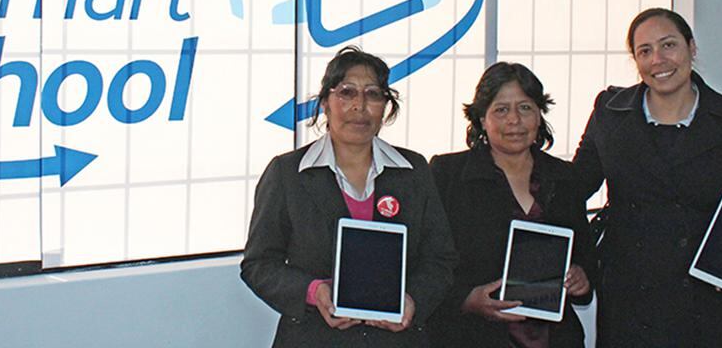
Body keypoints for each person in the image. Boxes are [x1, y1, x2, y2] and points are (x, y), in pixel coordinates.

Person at [240, 45, 458, 347]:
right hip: (314, 337)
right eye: (346, 92)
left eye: (373, 94)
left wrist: (413, 300)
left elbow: (440, 259)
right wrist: (314, 291)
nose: (360, 105)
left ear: (386, 105)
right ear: (325, 103)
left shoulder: (413, 170)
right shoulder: (288, 173)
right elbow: (258, 264)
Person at [573, 7, 722, 347]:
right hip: (630, 302)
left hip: (709, 303)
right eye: (645, 51)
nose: (658, 59)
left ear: (691, 48)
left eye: (668, 45)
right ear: (635, 61)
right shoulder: (610, 113)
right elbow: (573, 189)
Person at [426, 62, 594, 348]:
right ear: (481, 119)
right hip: (471, 336)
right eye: (501, 110)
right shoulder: (447, 174)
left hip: (555, 338)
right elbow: (426, 260)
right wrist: (466, 300)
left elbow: (586, 255)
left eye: (525, 108)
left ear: (540, 115)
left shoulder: (564, 177)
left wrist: (582, 279)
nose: (514, 120)